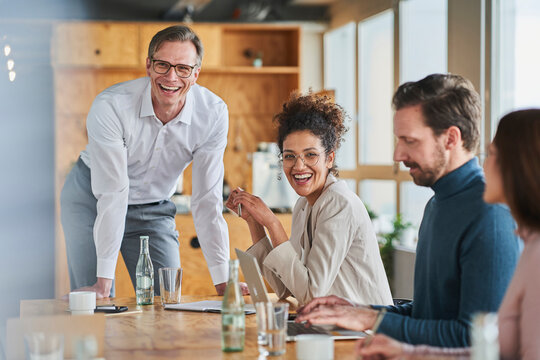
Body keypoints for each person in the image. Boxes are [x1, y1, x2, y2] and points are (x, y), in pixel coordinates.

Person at [296, 74, 520, 346]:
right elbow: (429, 315)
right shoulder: (436, 204)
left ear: (451, 138)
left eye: (409, 140)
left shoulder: (489, 216)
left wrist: (370, 320)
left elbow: (475, 339)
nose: (397, 154)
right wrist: (359, 311)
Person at [61, 25, 242, 298]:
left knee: (166, 299)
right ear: (148, 66)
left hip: (152, 208)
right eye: (162, 65)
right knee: (93, 301)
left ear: (195, 74)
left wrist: (222, 278)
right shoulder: (111, 106)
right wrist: (103, 282)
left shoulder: (213, 114)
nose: (171, 76)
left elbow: (207, 199)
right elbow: (113, 192)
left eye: (183, 68)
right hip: (91, 199)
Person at [355, 109, 540, 360]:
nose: (483, 163)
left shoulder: (498, 223)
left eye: (493, 154)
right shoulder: (529, 245)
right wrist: (407, 351)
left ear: (524, 168)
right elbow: (486, 349)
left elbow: (480, 342)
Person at [226, 93, 393, 306]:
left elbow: (311, 295)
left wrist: (273, 223)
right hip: (332, 326)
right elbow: (286, 288)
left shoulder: (339, 204)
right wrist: (254, 222)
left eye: (310, 155)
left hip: (364, 331)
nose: (298, 166)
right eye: (289, 156)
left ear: (329, 158)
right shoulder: (304, 205)